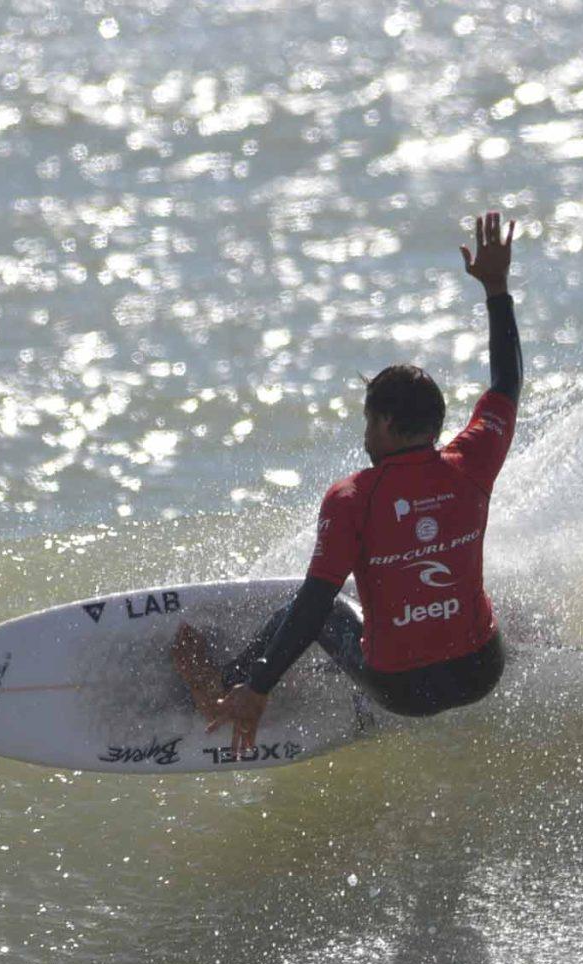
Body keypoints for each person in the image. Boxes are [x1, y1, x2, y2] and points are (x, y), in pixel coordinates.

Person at [174, 209, 523, 751]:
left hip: (403, 690)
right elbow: (507, 382)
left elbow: (314, 605)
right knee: (449, 590)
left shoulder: (353, 498)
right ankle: (354, 690)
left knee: (334, 610)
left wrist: (261, 686)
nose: (365, 431)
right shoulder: (474, 460)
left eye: (367, 419)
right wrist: (497, 288)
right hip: (483, 672)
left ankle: (223, 687)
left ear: (384, 422)